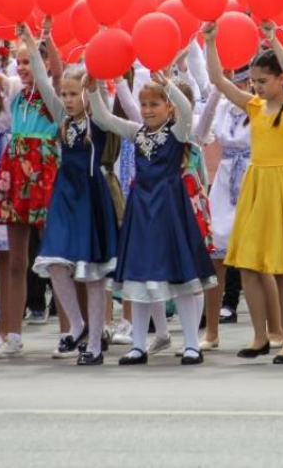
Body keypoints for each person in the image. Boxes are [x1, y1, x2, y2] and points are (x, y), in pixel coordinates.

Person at [206, 21, 283, 365]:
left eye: (263, 81)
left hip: (282, 184)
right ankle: (259, 336)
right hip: (255, 184)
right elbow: (218, 81)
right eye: (254, 81)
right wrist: (210, 42)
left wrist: (275, 41)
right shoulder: (254, 106)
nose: (256, 87)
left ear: (280, 78)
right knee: (250, 266)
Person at [89, 72, 216, 366]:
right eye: (143, 104)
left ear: (167, 107)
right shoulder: (137, 132)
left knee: (180, 272)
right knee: (140, 274)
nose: (147, 110)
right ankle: (138, 345)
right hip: (142, 209)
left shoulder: (178, 132)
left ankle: (192, 345)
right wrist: (94, 90)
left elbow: (186, 109)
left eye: (154, 104)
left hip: (170, 208)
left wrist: (169, 84)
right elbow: (104, 119)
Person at [27, 29, 119, 366]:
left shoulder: (97, 119)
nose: (66, 100)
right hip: (65, 195)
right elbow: (43, 78)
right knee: (54, 261)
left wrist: (95, 82)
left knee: (93, 273)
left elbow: (102, 105)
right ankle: (77, 323)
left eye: (72, 94)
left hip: (91, 194)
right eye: (63, 94)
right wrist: (31, 45)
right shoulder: (63, 118)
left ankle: (94, 343)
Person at [0, 26, 60, 359]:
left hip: (44, 169)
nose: (23, 67)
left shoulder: (53, 93)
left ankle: (71, 331)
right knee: (17, 259)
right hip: (14, 168)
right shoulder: (14, 91)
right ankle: (12, 335)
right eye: (19, 62)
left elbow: (54, 73)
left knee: (56, 255)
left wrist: (40, 39)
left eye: (29, 61)